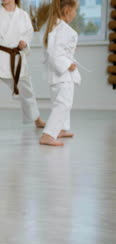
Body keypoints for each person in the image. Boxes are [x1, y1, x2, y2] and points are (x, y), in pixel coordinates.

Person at [0, 0, 46, 136]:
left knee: (27, 91)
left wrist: (25, 43)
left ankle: (37, 119)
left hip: (16, 59)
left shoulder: (23, 15)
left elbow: (28, 34)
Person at [39, 0, 80, 146]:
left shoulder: (53, 27)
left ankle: (61, 128)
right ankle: (48, 135)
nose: (76, 14)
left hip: (55, 77)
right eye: (75, 10)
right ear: (67, 10)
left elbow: (55, 51)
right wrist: (69, 65)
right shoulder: (63, 30)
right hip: (62, 76)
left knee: (61, 102)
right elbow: (56, 54)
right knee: (63, 103)